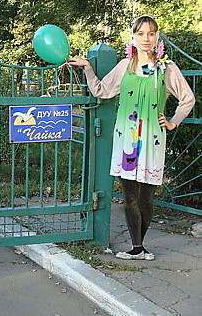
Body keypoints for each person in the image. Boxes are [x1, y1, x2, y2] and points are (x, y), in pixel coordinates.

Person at [68, 15, 195, 260]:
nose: (146, 39)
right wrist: (88, 68)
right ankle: (137, 248)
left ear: (157, 36)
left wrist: (172, 122)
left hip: (153, 140)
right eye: (141, 34)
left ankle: (142, 245)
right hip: (126, 139)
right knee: (130, 195)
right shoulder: (124, 66)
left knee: (147, 196)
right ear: (133, 37)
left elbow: (187, 98)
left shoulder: (166, 68)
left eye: (151, 33)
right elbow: (102, 91)